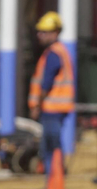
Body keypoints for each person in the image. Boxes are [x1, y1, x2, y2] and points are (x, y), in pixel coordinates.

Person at [27, 11, 75, 178]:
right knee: (51, 143)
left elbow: (45, 84)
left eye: (44, 32)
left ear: (55, 33)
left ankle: (54, 179)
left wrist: (37, 106)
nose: (40, 35)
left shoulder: (54, 53)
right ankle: (52, 180)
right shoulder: (58, 51)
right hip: (57, 107)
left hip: (52, 108)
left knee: (51, 145)